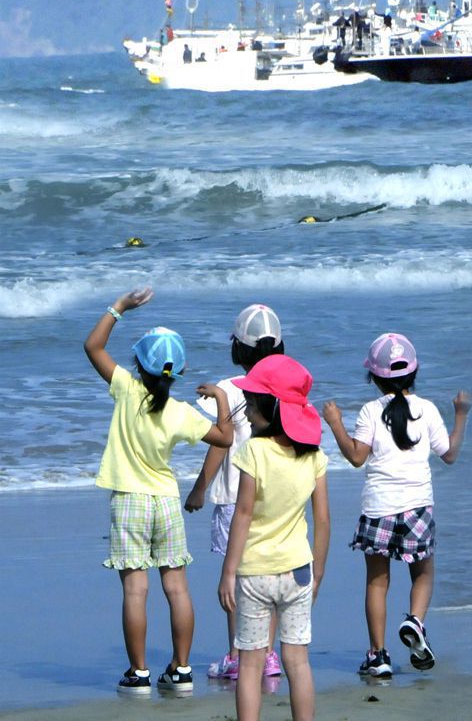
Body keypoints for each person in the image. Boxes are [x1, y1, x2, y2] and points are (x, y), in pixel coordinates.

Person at [85, 287, 234, 695]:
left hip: (129, 501)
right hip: (166, 501)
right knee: (177, 588)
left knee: (136, 589)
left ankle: (139, 672)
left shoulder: (126, 390)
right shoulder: (181, 412)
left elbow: (92, 345)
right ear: (177, 373)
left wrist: (119, 307)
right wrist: (221, 396)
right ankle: (182, 669)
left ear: (139, 364)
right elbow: (224, 437)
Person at [323, 333, 471, 678]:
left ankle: (377, 656)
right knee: (423, 573)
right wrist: (461, 414)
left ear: (374, 378)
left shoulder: (371, 411)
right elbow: (449, 454)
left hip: (379, 507)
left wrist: (334, 425)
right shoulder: (428, 409)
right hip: (417, 506)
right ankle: (416, 621)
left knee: (377, 581)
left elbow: (357, 457)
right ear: (414, 374)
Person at [218, 355, 330, 721]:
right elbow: (323, 520)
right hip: (299, 570)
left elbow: (244, 514)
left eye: (251, 405)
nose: (247, 413)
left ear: (270, 407)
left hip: (255, 573)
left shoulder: (255, 451)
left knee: (250, 664)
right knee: (297, 662)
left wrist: (228, 572)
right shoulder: (314, 456)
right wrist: (319, 573)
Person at [185, 304, 287, 682]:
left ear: (238, 349)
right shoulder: (287, 388)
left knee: (237, 581)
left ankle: (237, 653)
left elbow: (219, 444)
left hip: (233, 499)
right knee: (271, 575)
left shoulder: (228, 389)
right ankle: (269, 655)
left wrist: (199, 489)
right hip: (277, 499)